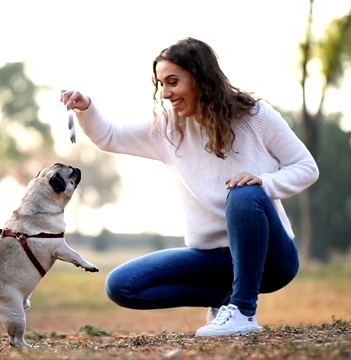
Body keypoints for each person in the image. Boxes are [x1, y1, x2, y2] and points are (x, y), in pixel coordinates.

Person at [60, 37, 319, 337]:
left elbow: (306, 167)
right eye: (161, 84)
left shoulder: (255, 116)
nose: (166, 93)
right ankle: (228, 302)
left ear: (201, 78)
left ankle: (244, 312)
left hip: (271, 259)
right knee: (122, 285)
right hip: (211, 258)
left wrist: (265, 181)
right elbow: (109, 136)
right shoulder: (168, 129)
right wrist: (86, 108)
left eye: (173, 82)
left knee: (244, 192)